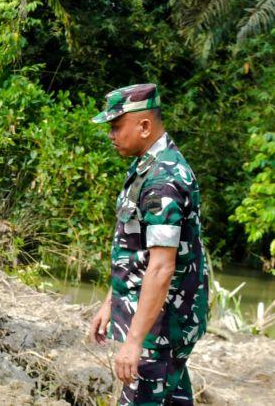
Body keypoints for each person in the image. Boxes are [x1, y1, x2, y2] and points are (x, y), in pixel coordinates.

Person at [87, 84, 209, 406]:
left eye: (116, 127)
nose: (111, 135)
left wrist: (134, 342)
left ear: (144, 126)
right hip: (158, 324)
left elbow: (161, 267)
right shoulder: (146, 167)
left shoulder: (163, 180)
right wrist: (110, 303)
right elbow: (137, 253)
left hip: (160, 329)